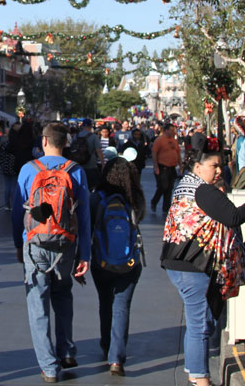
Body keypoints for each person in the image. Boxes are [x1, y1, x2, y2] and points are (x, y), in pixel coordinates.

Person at [161, 151, 245, 386]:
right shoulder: (203, 190)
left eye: (221, 165)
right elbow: (234, 216)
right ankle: (201, 378)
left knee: (201, 320)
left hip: (181, 262)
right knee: (200, 324)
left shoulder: (185, 184)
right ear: (199, 166)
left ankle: (195, 371)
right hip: (194, 264)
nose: (219, 170)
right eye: (214, 165)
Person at [11, 122, 92, 383]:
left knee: (38, 304)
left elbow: (16, 212)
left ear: (44, 141)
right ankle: (66, 349)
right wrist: (85, 254)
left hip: (34, 245)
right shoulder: (76, 171)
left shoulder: (28, 169)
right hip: (65, 244)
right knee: (63, 294)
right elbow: (84, 216)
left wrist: (17, 243)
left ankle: (49, 365)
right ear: (65, 142)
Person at [90, 155, 145, 376]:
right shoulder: (134, 198)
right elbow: (139, 219)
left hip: (101, 260)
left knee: (105, 302)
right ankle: (116, 358)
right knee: (122, 306)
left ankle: (106, 344)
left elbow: (88, 228)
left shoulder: (96, 198)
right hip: (130, 261)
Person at [151, 123, 182, 213]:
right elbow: (154, 153)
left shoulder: (174, 140)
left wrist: (180, 165)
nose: (173, 132)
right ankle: (154, 201)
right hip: (162, 167)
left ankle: (166, 208)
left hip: (172, 167)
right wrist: (156, 166)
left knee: (169, 188)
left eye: (174, 130)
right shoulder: (160, 140)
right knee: (163, 187)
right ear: (166, 130)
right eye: (171, 130)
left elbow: (178, 153)